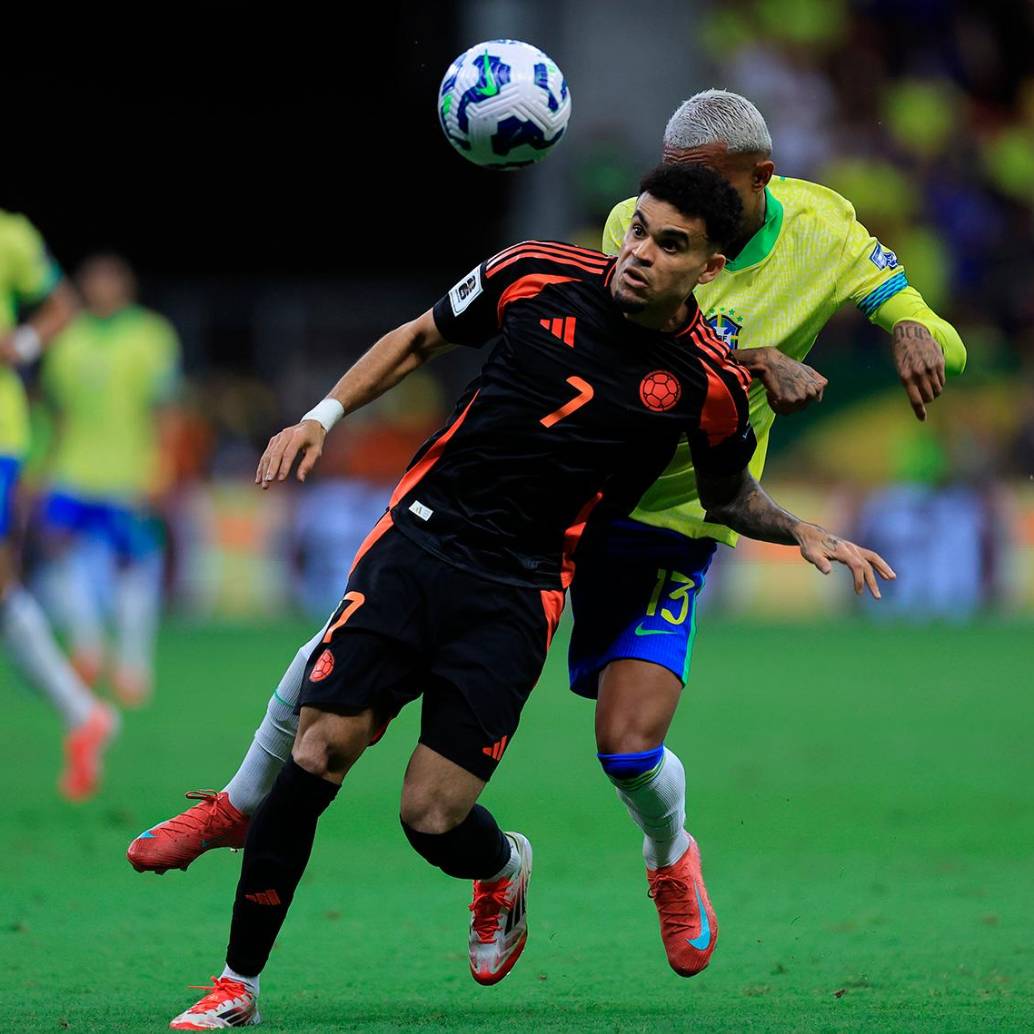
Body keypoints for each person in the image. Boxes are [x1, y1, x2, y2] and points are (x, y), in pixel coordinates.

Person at [130, 89, 957, 977]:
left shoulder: (826, 228)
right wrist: (759, 359)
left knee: (627, 747)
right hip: (574, 509)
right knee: (346, 658)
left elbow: (920, 326)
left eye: (697, 193)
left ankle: (670, 858)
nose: (657, 224)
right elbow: (628, 340)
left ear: (757, 180)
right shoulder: (624, 231)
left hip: (680, 516)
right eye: (655, 206)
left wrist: (915, 328)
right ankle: (238, 802)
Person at [0, 211, 119, 799]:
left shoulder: (11, 235)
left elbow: (59, 303)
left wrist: (20, 343)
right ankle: (83, 713)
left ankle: (85, 709)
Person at [37, 254, 181, 706]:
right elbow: (54, 412)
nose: (102, 287)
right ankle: (88, 645)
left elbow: (167, 409)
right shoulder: (67, 340)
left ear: (127, 284)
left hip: (129, 472)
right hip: (73, 472)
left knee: (134, 566)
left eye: (111, 278)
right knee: (59, 554)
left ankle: (133, 666)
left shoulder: (151, 336)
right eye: (94, 280)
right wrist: (43, 466)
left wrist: (163, 465)